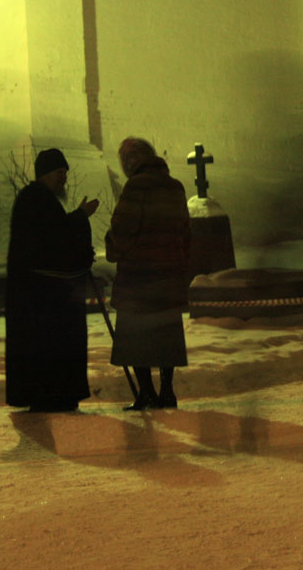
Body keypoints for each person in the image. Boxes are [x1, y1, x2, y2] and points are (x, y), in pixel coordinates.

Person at [5, 148, 99, 412]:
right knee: (50, 347)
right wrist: (80, 216)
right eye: (60, 172)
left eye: (65, 172)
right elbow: (53, 238)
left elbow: (54, 234)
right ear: (46, 173)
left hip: (40, 293)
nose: (64, 178)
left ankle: (53, 396)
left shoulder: (38, 199)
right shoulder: (35, 199)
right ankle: (52, 397)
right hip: (41, 297)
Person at [105, 138, 191, 411]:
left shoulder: (135, 187)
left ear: (131, 161)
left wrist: (112, 247)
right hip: (168, 277)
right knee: (166, 336)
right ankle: (167, 391)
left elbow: (123, 231)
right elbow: (185, 232)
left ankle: (146, 393)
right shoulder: (175, 187)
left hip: (138, 279)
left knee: (136, 338)